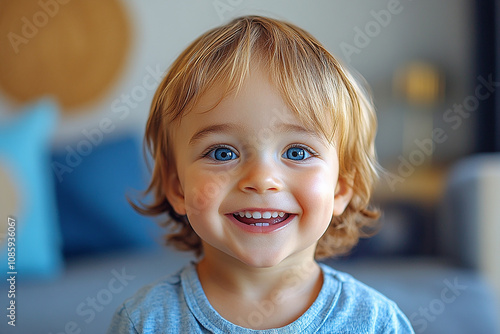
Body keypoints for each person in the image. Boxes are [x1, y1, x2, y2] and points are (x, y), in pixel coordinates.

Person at [107, 15, 414, 333]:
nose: (262, 178)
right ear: (178, 188)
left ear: (340, 188)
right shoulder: (145, 322)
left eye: (296, 153)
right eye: (222, 153)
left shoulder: (375, 322)